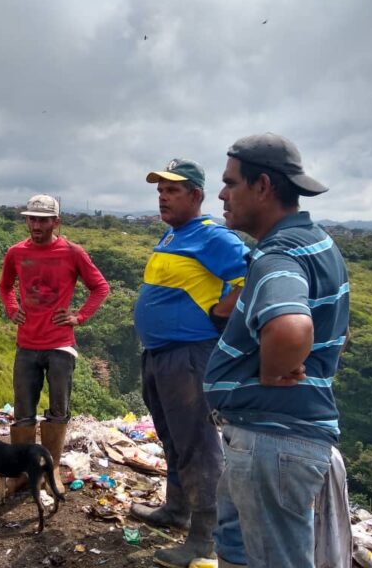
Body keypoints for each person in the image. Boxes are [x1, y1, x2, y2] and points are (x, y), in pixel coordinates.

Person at [204, 133, 350, 568]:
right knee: (235, 549)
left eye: (231, 183)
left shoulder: (278, 255)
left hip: (273, 442)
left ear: (263, 186)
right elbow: (340, 332)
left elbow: (290, 327)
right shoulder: (316, 244)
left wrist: (273, 368)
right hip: (265, 438)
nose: (222, 194)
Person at [130, 159, 249, 567]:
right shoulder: (173, 234)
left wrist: (220, 311)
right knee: (171, 436)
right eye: (160, 190)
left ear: (196, 195)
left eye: (172, 190)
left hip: (189, 357)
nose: (162, 197)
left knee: (197, 443)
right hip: (159, 355)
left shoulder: (214, 237)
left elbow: (253, 277)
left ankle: (204, 539)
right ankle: (176, 509)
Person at [0, 194, 109, 494]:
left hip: (60, 344)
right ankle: (23, 473)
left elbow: (100, 287)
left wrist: (79, 317)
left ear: (55, 222)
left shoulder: (72, 252)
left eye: (43, 220)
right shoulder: (16, 252)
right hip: (27, 343)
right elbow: (5, 286)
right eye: (32, 219)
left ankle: (51, 470)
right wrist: (12, 309)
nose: (36, 226)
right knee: (23, 412)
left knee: (59, 411)